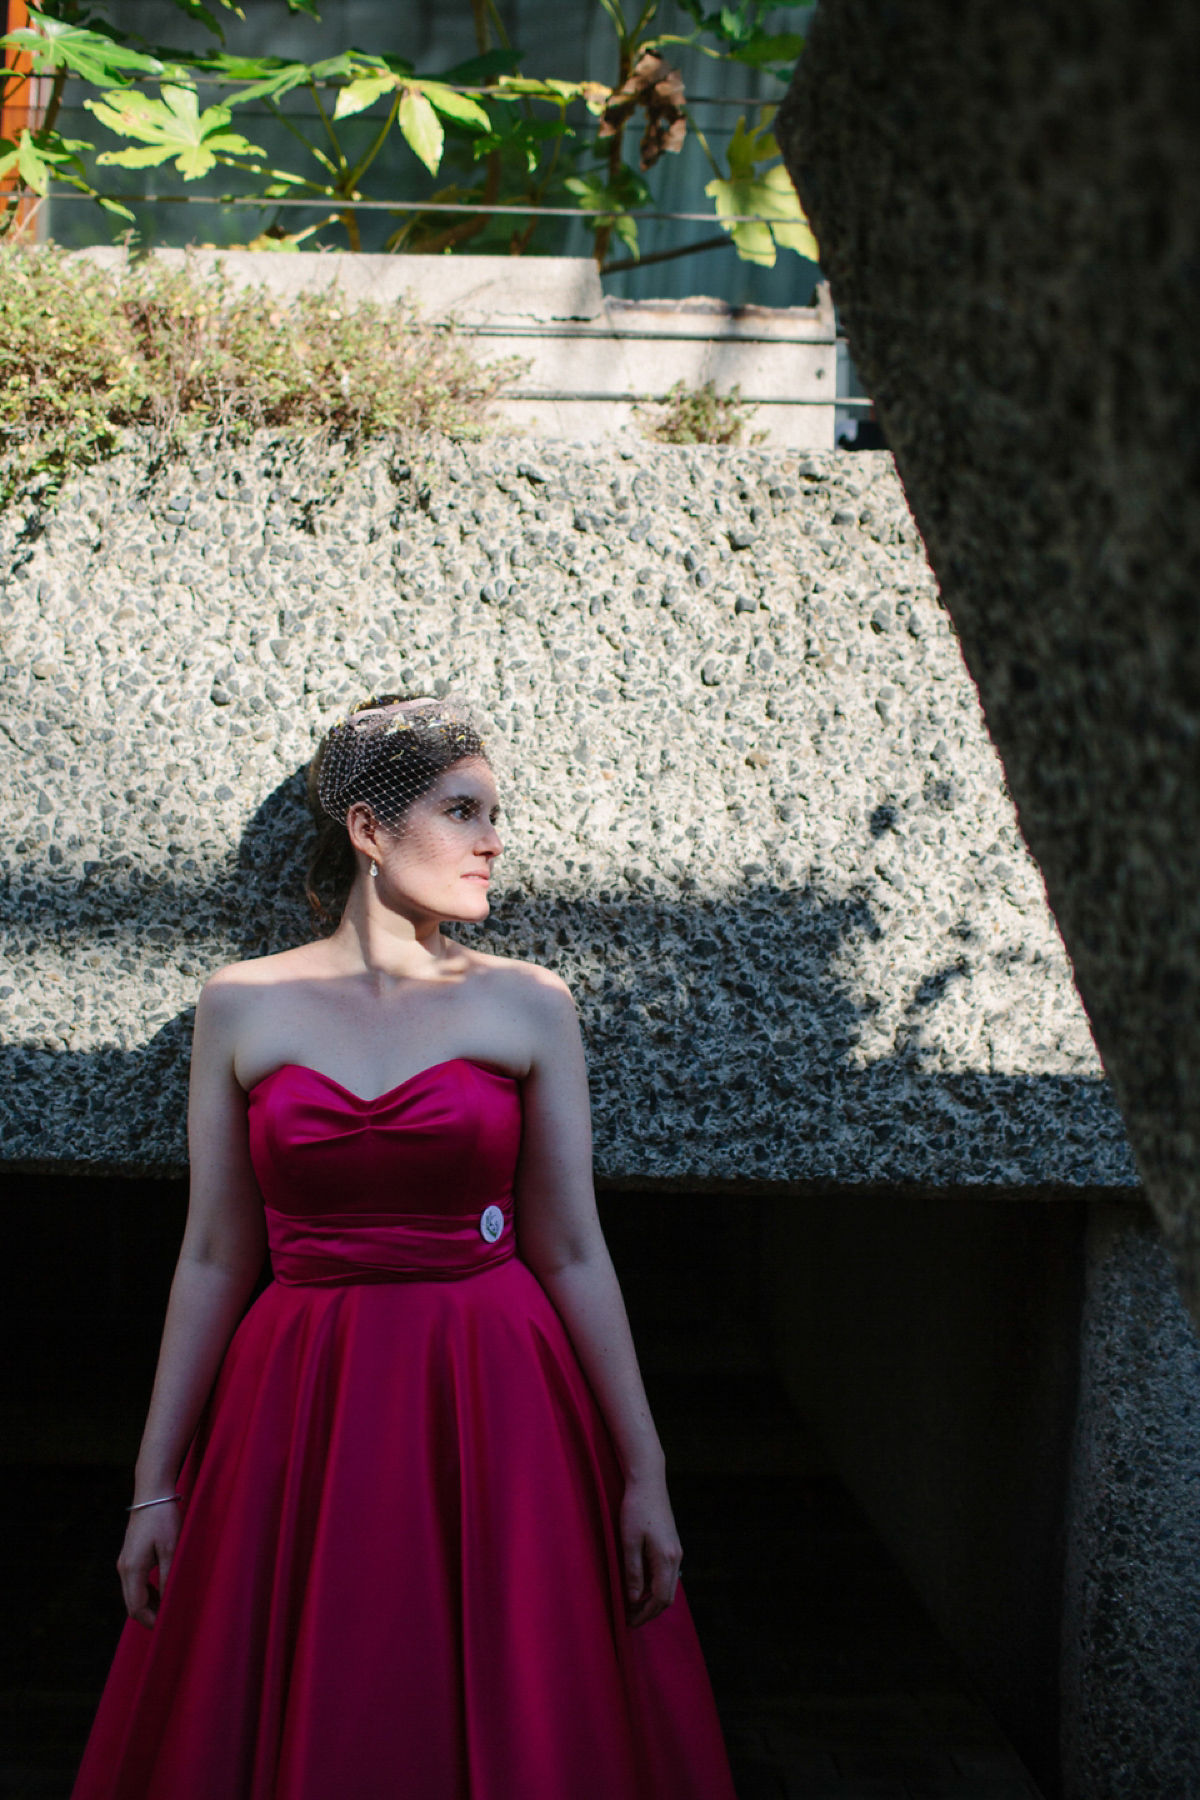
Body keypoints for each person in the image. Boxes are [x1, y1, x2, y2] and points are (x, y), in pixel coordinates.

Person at [72, 694, 737, 1800]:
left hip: (498, 1392)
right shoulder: (239, 1005)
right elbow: (212, 1257)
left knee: (522, 1690)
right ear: (369, 832)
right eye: (462, 809)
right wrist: (155, 1485)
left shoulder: (530, 1005)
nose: (494, 840)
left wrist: (644, 1471)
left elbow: (572, 1249)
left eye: (496, 812)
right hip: (300, 1394)